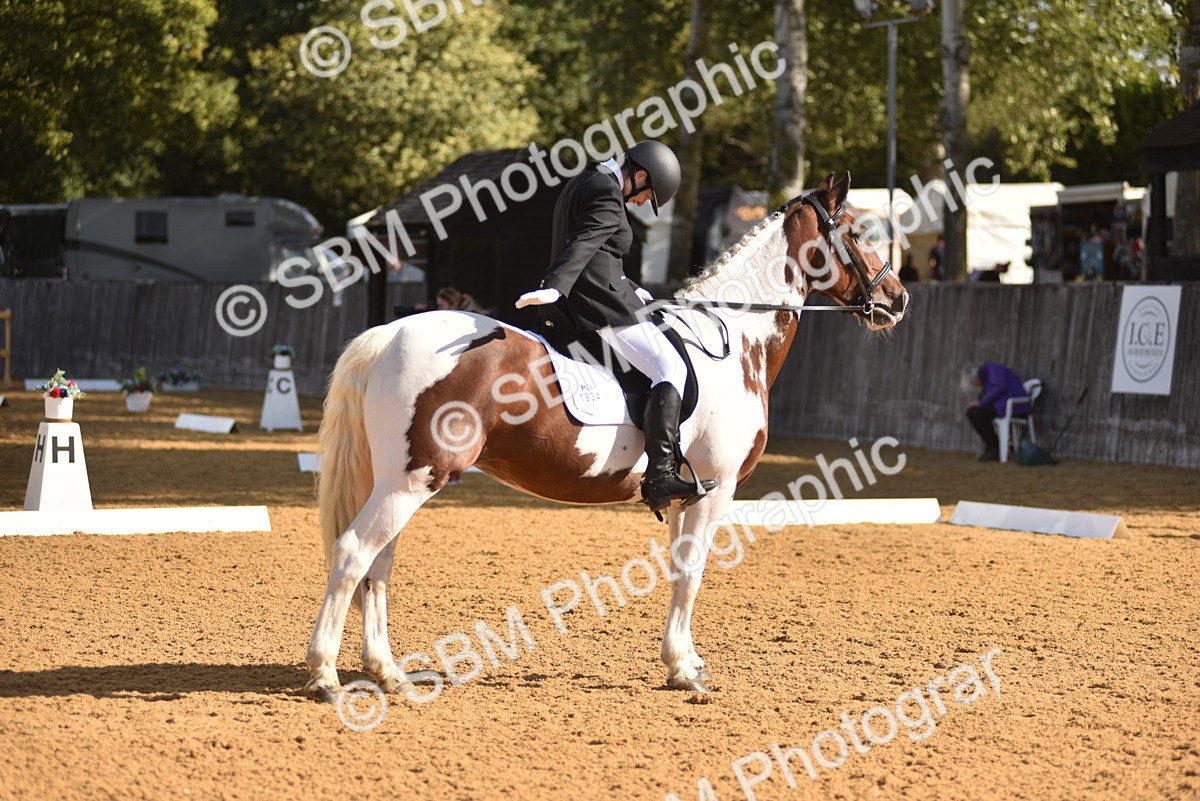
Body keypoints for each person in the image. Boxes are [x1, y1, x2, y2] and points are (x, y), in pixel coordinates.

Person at [515, 140, 716, 516]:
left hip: (608, 296)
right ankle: (661, 475)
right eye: (648, 195)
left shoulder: (588, 180)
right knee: (670, 368)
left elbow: (603, 256)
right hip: (600, 308)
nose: (643, 203)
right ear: (640, 176)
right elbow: (584, 243)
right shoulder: (608, 194)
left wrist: (637, 292)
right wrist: (555, 287)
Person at [962, 362, 1028, 461]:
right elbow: (986, 391)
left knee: (975, 413)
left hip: (1013, 405)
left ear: (975, 378)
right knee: (972, 412)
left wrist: (981, 402)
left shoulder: (992, 370)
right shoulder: (988, 375)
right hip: (1003, 404)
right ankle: (993, 446)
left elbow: (999, 387)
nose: (976, 385)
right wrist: (979, 400)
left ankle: (994, 446)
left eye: (974, 383)